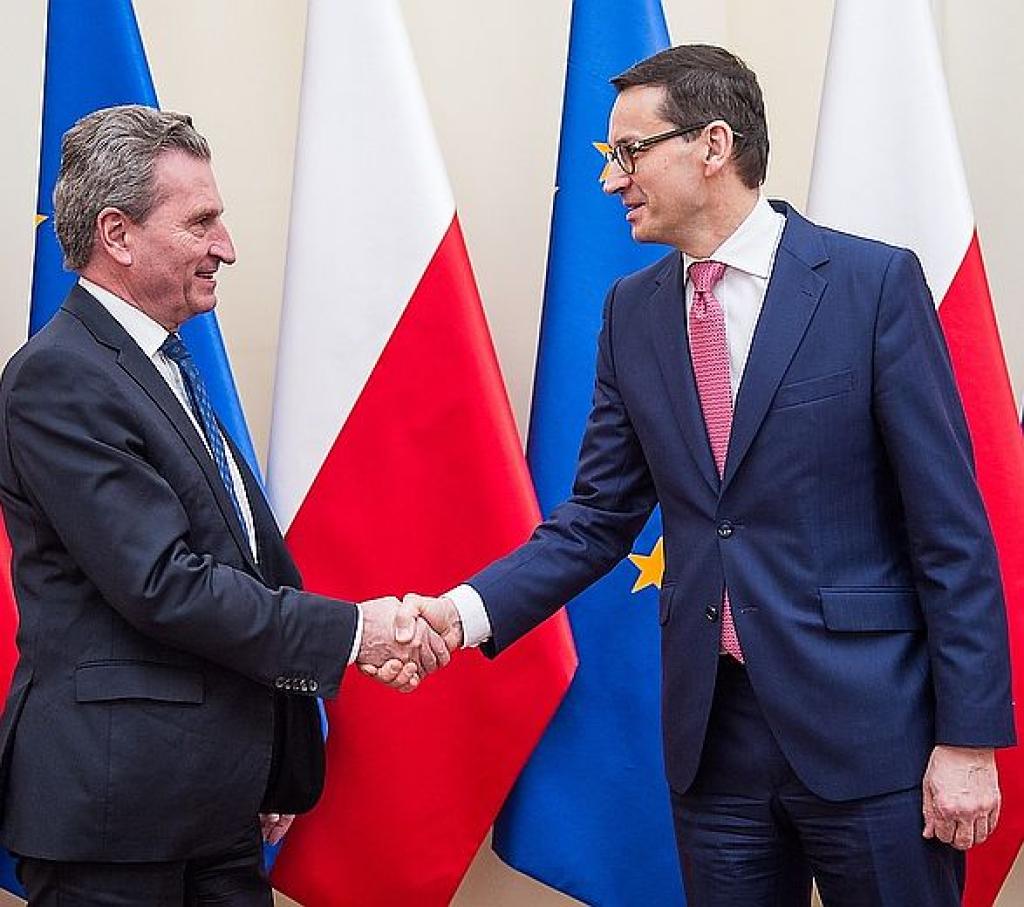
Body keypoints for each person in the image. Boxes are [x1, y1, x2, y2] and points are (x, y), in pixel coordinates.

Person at [394, 45, 1015, 905]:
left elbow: (950, 529)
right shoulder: (632, 312)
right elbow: (596, 519)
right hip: (716, 743)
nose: (611, 179)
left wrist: (969, 740)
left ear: (713, 145)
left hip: (873, 734)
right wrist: (461, 613)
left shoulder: (871, 286)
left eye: (629, 151)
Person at [0, 105, 442, 906]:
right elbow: (164, 583)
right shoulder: (59, 376)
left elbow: (241, 561)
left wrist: (274, 752)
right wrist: (357, 630)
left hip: (216, 806)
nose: (226, 246)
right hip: (119, 822)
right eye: (200, 221)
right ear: (118, 234)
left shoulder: (162, 365)